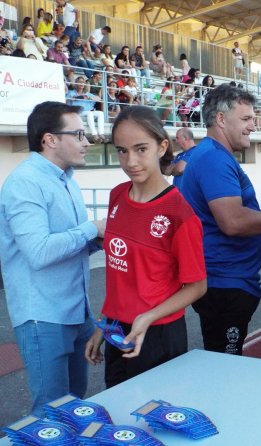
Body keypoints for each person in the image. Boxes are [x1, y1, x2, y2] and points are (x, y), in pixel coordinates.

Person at [84, 106, 207, 387]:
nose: (131, 161)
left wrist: (148, 317)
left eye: (141, 149)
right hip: (117, 331)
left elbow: (198, 286)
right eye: (122, 151)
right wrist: (102, 327)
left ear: (162, 147)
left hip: (158, 335)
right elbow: (120, 280)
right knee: (119, 423)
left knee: (155, 425)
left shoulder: (180, 214)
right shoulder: (117, 195)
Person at [0, 101, 106, 416]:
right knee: (51, 411)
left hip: (76, 310)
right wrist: (91, 229)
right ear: (50, 140)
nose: (87, 142)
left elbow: (70, 244)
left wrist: (100, 240)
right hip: (44, 316)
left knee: (75, 404)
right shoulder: (25, 182)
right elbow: (39, 251)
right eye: (79, 134)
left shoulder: (66, 180)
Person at [181, 84, 261, 355]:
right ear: (221, 120)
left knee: (223, 359)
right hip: (225, 284)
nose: (253, 126)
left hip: (225, 282)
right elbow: (232, 221)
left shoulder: (212, 155)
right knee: (226, 365)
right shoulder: (214, 159)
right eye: (246, 119)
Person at [66, 76, 106, 143]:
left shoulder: (87, 93)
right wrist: (79, 97)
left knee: (100, 113)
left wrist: (90, 98)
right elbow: (66, 100)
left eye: (83, 82)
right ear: (76, 83)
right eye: (80, 82)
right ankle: (94, 135)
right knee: (89, 113)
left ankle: (101, 133)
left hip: (87, 112)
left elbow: (99, 99)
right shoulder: (71, 92)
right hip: (77, 111)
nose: (81, 83)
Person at [168, 127, 197, 192]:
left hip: (189, 197)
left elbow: (179, 169)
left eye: (177, 138)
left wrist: (173, 169)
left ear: (186, 138)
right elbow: (168, 170)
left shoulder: (195, 151)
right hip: (179, 196)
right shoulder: (179, 155)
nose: (176, 141)